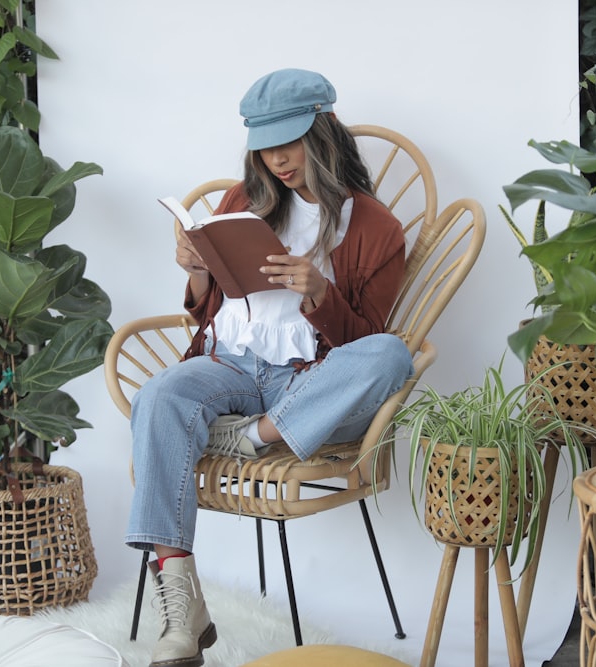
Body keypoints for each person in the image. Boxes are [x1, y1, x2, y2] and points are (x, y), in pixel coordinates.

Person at [127, 68, 415, 667]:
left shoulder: (377, 228)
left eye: (290, 141)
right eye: (265, 145)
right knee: (159, 396)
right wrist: (197, 268)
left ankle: (260, 436)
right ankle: (183, 611)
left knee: (393, 354)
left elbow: (368, 342)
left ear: (324, 129)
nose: (278, 159)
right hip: (229, 365)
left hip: (305, 386)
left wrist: (319, 294)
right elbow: (212, 308)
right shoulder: (241, 201)